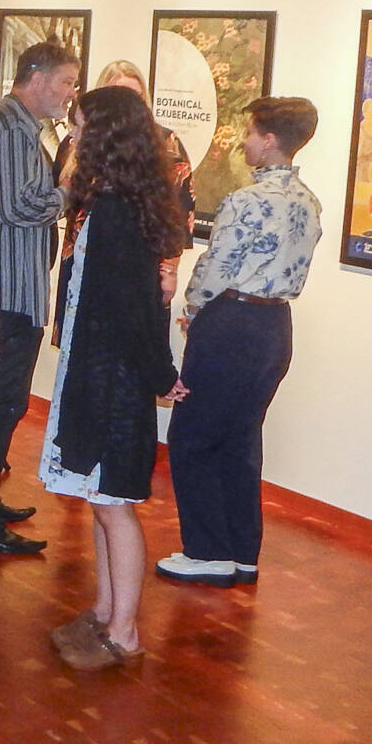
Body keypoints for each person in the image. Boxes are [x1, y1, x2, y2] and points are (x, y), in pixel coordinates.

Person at [41, 86, 190, 671]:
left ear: (106, 136)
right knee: (99, 499)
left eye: (80, 127)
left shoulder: (117, 212)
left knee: (114, 503)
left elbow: (134, 307)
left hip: (114, 377)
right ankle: (105, 610)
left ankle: (124, 631)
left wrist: (160, 373)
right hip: (100, 367)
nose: (73, 137)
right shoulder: (116, 201)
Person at [158, 97, 322, 589]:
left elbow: (216, 268)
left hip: (232, 322)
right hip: (274, 329)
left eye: (250, 133)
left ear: (269, 141)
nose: (244, 141)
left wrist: (193, 308)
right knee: (242, 438)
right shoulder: (309, 201)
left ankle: (207, 551)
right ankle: (241, 551)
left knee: (192, 436)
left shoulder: (245, 201)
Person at [0, 40, 81, 556]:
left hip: (2, 290)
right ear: (38, 78)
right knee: (0, 403)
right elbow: (20, 207)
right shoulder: (10, 131)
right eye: (67, 82)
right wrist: (71, 189)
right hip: (5, 294)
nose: (70, 93)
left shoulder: (11, 127)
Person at [55, 60, 194, 303]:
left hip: (131, 269)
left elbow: (179, 213)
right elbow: (59, 201)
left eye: (135, 95)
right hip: (80, 254)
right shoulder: (75, 143)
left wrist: (169, 270)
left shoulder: (165, 143)